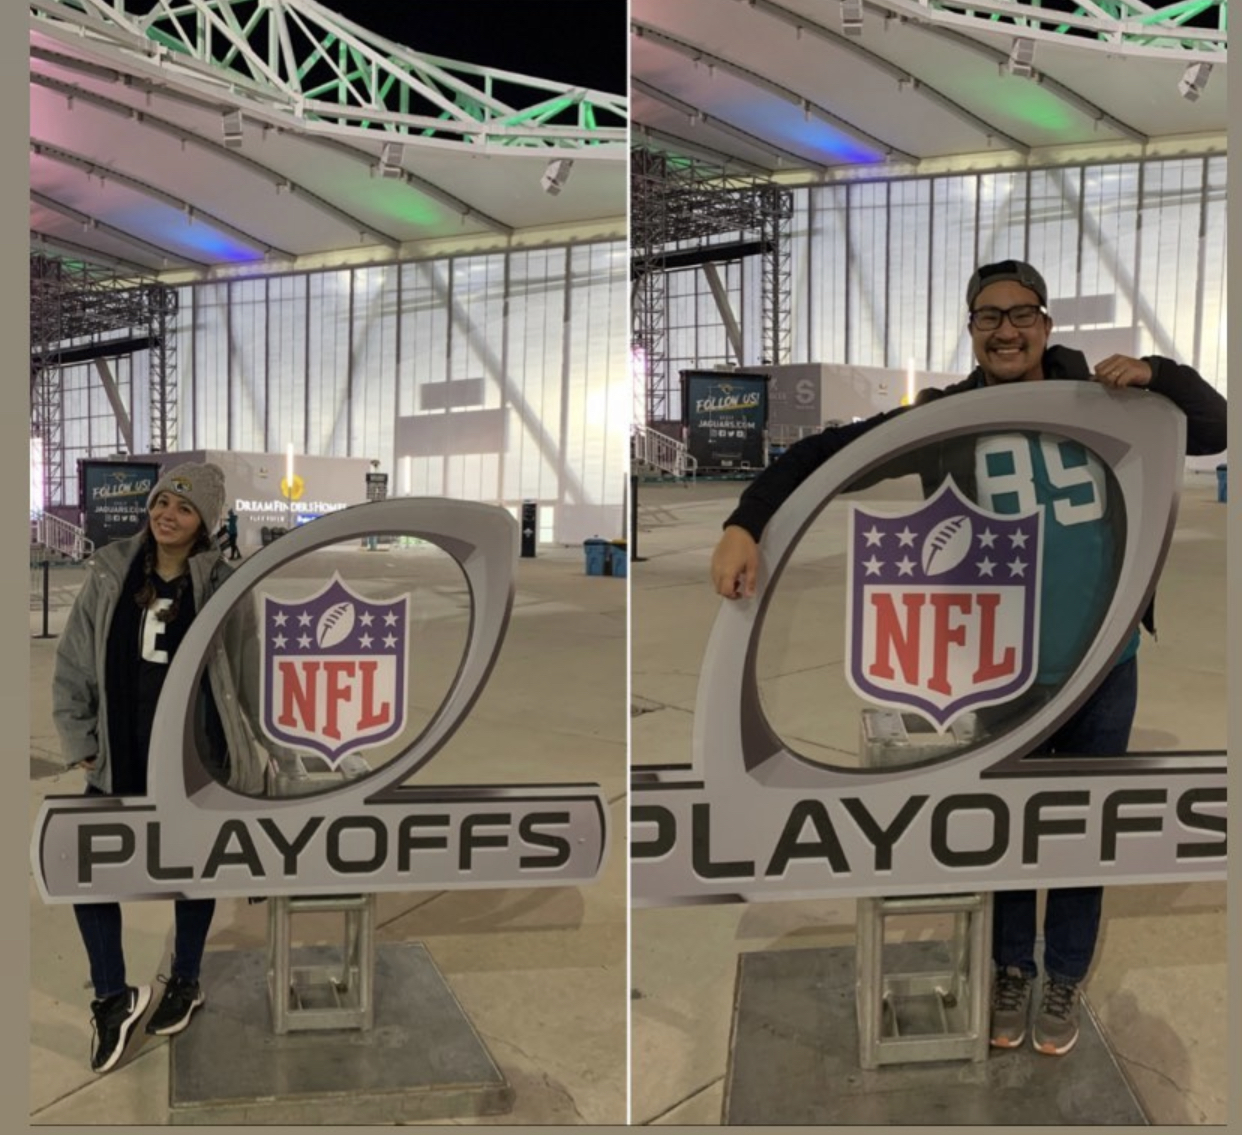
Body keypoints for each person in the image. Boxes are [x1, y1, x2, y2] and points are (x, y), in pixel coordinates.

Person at [710, 260, 1227, 1056]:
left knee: (1084, 833)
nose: (1008, 330)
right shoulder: (945, 421)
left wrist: (1158, 371)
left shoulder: (1109, 398)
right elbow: (825, 454)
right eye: (989, 317)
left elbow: (1215, 422)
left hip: (1103, 666)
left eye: (1022, 315)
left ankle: (1065, 975)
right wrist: (745, 522)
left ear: (1047, 326)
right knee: (1010, 833)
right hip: (1004, 674)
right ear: (972, 330)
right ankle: (1011, 969)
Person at [53, 462, 268, 1073]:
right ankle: (112, 996)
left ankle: (186, 980)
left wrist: (245, 757)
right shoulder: (111, 572)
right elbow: (73, 663)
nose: (165, 514)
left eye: (182, 507)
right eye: (160, 502)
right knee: (83, 871)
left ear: (204, 522)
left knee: (190, 874)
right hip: (119, 755)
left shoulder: (223, 585)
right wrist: (80, 738)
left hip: (192, 761)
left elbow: (245, 677)